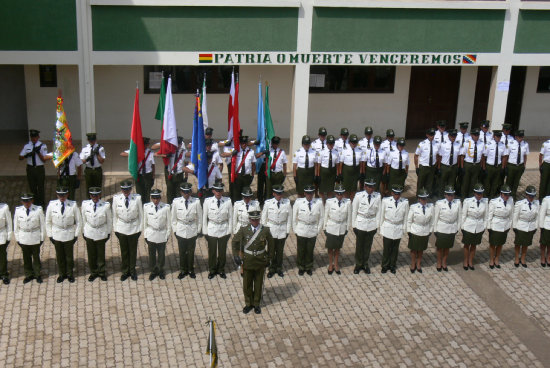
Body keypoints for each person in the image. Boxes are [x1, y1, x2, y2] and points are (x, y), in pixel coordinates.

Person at [232, 210, 274, 315]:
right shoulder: (244, 230)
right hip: (247, 261)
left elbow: (272, 244)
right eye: (253, 220)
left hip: (260, 260)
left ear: (259, 219)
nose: (255, 222)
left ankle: (256, 304)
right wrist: (236, 255)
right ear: (250, 220)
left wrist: (269, 258)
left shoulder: (265, 230)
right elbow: (235, 241)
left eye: (257, 220)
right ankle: (248, 303)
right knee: (247, 284)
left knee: (259, 283)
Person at [46, 186, 81, 283]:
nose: (62, 197)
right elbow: (48, 221)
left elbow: (78, 221)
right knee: (60, 255)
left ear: (67, 195)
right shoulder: (52, 205)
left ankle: (70, 273)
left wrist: (76, 234)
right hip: (57, 234)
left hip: (69, 233)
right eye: (60, 195)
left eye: (64, 195)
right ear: (57, 195)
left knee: (69, 256)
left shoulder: (73, 205)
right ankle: (62, 273)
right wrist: (50, 235)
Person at [112, 180, 143, 281]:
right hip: (121, 228)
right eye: (124, 189)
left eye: (128, 189)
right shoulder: (117, 199)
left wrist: (139, 229)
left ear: (131, 189)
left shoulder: (137, 199)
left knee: (133, 251)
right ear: (121, 189)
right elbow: (114, 215)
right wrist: (116, 229)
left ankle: (132, 271)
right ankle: (125, 271)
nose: (126, 191)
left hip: (133, 228)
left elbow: (141, 215)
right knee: (124, 251)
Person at [171, 182, 202, 279]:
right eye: (184, 192)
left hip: (192, 228)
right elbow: (173, 218)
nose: (186, 194)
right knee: (182, 251)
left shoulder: (196, 202)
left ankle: (190, 269)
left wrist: (198, 230)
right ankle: (183, 270)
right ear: (181, 192)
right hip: (181, 229)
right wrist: (175, 230)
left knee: (191, 251)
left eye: (188, 192)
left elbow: (200, 218)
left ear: (191, 192)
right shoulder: (176, 202)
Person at [203, 180, 232, 279]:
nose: (218, 192)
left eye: (220, 190)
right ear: (213, 191)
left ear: (222, 191)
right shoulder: (207, 201)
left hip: (223, 228)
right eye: (217, 190)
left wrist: (229, 230)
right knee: (212, 252)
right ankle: (212, 270)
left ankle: (221, 269)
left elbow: (230, 217)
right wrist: (205, 231)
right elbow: (204, 217)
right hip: (212, 228)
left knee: (222, 251)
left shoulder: (227, 201)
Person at [13, 193, 45, 283]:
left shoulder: (38, 210)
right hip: (24, 237)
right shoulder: (18, 210)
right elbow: (16, 226)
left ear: (32, 201)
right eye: (24, 201)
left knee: (36, 257)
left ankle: (37, 274)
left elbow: (42, 225)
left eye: (28, 201)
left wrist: (42, 237)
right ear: (21, 202)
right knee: (26, 257)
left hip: (34, 236)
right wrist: (17, 238)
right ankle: (28, 274)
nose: (26, 203)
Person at [81, 187, 111, 282]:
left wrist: (108, 232)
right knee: (91, 254)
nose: (95, 197)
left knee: (101, 254)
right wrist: (83, 231)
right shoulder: (85, 205)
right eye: (93, 195)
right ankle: (93, 272)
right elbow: (83, 219)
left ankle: (101, 272)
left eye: (97, 195)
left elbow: (109, 220)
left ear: (100, 195)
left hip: (101, 231)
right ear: (90, 196)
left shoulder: (105, 206)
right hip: (90, 232)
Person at [293, 184, 324, 275]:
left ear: (313, 193)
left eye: (311, 193)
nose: (309, 195)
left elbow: (321, 217)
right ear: (304, 193)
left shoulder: (318, 203)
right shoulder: (299, 202)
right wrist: (295, 230)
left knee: (310, 250)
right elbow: (294, 217)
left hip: (312, 229)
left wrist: (318, 230)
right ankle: (301, 266)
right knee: (301, 249)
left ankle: (309, 266)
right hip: (301, 228)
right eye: (307, 193)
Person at [352, 177, 381, 274]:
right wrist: (354, 225)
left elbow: (378, 212)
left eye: (372, 187)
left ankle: (365, 263)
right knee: (359, 245)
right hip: (361, 223)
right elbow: (354, 211)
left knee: (368, 245)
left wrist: (377, 225)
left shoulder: (377, 196)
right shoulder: (359, 196)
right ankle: (358, 264)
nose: (371, 189)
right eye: (369, 187)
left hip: (371, 223)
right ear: (365, 186)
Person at [262, 184, 292, 278]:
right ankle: (271, 268)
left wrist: (287, 231)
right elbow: (264, 218)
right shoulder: (268, 203)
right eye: (277, 194)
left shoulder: (286, 203)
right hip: (271, 229)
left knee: (279, 251)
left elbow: (289, 218)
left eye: (281, 194)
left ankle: (279, 268)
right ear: (274, 193)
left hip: (282, 229)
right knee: (271, 251)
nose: (279, 195)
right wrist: (265, 231)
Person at [379, 184, 409, 274]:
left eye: (398, 194)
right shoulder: (386, 201)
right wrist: (381, 228)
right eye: (395, 194)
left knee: (395, 249)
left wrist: (404, 229)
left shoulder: (405, 202)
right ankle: (385, 265)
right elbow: (382, 215)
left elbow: (406, 217)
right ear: (392, 193)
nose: (397, 196)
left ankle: (392, 265)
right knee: (387, 248)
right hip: (388, 226)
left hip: (398, 227)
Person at [323, 184, 351, 275]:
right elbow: (326, 215)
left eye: (341, 194)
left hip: (341, 227)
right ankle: (330, 264)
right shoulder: (329, 202)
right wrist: (324, 227)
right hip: (331, 226)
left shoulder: (347, 202)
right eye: (338, 194)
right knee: (330, 248)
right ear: (335, 194)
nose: (339, 196)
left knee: (338, 248)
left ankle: (336, 264)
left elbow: (349, 216)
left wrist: (347, 228)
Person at [143, 189, 170, 281]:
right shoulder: (146, 207)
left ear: (160, 198)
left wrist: (167, 235)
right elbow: (145, 222)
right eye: (153, 198)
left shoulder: (166, 207)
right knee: (152, 254)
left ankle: (161, 270)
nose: (155, 200)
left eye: (157, 198)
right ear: (151, 198)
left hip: (162, 233)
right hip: (151, 233)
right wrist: (145, 235)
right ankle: (153, 271)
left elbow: (169, 223)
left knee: (161, 254)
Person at [433, 185, 461, 272]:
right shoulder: (439, 203)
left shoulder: (458, 203)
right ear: (445, 195)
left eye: (452, 195)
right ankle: (439, 262)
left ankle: (444, 262)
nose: (450, 197)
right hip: (442, 227)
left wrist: (457, 228)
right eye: (448, 195)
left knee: (447, 247)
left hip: (452, 228)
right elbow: (435, 217)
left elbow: (459, 217)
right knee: (440, 247)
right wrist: (435, 229)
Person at [233, 187, 260, 276]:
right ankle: (242, 267)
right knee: (241, 249)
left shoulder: (255, 204)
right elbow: (234, 219)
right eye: (245, 197)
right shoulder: (238, 204)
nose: (247, 199)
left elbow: (258, 218)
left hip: (251, 228)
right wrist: (234, 231)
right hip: (241, 227)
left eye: (248, 197)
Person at [461, 183, 488, 270]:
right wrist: (462, 227)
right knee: (466, 245)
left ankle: (470, 261)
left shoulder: (485, 202)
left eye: (481, 193)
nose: (479, 195)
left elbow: (486, 216)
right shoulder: (467, 201)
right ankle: (465, 261)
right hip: (469, 226)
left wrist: (484, 226)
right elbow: (463, 215)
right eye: (477, 193)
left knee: (474, 245)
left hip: (479, 226)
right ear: (474, 193)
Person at [19, 129, 49, 207]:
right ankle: (34, 203)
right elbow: (20, 157)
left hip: (39, 168)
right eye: (32, 137)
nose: (33, 139)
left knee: (41, 187)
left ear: (38, 137)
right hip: (30, 168)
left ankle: (42, 204)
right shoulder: (27, 146)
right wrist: (27, 155)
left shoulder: (42, 146)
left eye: (35, 137)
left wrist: (38, 152)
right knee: (32, 187)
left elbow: (44, 159)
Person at [406, 188, 433, 273]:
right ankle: (413, 263)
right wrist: (409, 231)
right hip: (415, 230)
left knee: (421, 249)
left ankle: (418, 264)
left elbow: (432, 220)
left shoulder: (431, 207)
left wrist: (430, 230)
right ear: (419, 199)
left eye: (425, 198)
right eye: (422, 198)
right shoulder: (414, 207)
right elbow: (409, 220)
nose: (424, 200)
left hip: (425, 230)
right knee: (414, 249)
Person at [487, 185, 513, 269]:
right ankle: (491, 259)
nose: (507, 196)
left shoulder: (511, 201)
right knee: (493, 244)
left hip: (505, 225)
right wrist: (489, 226)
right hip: (495, 225)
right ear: (501, 194)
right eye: (505, 194)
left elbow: (511, 214)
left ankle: (497, 258)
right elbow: (490, 215)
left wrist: (509, 225)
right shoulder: (494, 202)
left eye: (508, 195)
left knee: (500, 243)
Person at [513, 185, 539, 267]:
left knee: (526, 244)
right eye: (530, 196)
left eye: (533, 196)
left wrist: (535, 227)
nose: (531, 198)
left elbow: (537, 217)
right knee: (518, 243)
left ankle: (523, 258)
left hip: (530, 226)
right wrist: (515, 227)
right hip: (521, 226)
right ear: (526, 195)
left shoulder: (536, 204)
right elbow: (515, 216)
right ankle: (517, 258)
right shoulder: (520, 204)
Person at [483, 130, 508, 199]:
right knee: (487, 182)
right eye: (497, 136)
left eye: (500, 137)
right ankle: (486, 196)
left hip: (498, 166)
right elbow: (484, 156)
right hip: (489, 166)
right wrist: (484, 167)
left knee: (495, 182)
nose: (498, 138)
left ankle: (492, 196)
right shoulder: (489, 144)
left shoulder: (502, 145)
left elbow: (504, 156)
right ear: (494, 136)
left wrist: (502, 166)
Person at [461, 128, 485, 200]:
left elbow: (483, 156)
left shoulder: (481, 143)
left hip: (476, 165)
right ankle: (463, 198)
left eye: (477, 135)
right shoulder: (466, 143)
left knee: (473, 182)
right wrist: (462, 167)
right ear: (471, 135)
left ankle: (471, 197)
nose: (476, 136)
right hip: (468, 164)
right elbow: (462, 156)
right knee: (465, 182)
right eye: (474, 135)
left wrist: (482, 166)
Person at [339, 134, 364, 200]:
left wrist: (361, 173)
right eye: (352, 142)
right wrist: (340, 173)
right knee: (346, 188)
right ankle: (346, 201)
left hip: (355, 171)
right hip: (346, 171)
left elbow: (361, 163)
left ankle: (352, 201)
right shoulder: (344, 150)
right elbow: (341, 163)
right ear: (349, 142)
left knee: (353, 188)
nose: (354, 144)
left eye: (355, 142)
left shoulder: (360, 150)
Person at [437, 129, 461, 198]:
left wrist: (458, 166)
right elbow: (440, 156)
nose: (453, 137)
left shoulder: (458, 145)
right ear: (448, 136)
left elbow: (459, 156)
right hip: (445, 166)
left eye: (454, 136)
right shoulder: (443, 144)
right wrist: (439, 167)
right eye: (452, 136)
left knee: (452, 183)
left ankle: (450, 197)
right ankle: (440, 197)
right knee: (442, 182)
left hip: (453, 166)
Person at [315, 135, 340, 202]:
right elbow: (318, 164)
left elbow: (337, 164)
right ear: (326, 143)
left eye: (332, 143)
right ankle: (322, 203)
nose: (331, 145)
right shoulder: (322, 152)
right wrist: (317, 175)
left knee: (330, 190)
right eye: (329, 143)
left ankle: (329, 203)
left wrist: (338, 175)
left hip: (332, 172)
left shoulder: (336, 152)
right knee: (322, 190)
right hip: (323, 171)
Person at [163, 136, 186, 204]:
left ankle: (178, 206)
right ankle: (170, 206)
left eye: (179, 144)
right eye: (177, 144)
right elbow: (158, 154)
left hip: (179, 174)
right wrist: (165, 155)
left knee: (178, 192)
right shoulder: (170, 150)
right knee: (170, 191)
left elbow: (186, 163)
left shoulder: (184, 151)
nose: (178, 146)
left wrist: (186, 176)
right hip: (170, 173)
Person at [506, 130, 529, 200]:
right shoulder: (510, 143)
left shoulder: (525, 144)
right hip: (511, 165)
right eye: (519, 137)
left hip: (520, 166)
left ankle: (513, 196)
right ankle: (506, 195)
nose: (521, 138)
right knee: (509, 181)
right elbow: (506, 155)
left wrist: (524, 164)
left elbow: (525, 155)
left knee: (516, 182)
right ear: (516, 137)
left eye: (522, 137)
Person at [232, 136, 256, 202]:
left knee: (246, 193)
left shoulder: (251, 152)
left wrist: (253, 175)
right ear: (240, 143)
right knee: (237, 193)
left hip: (247, 176)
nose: (244, 144)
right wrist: (232, 154)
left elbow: (253, 164)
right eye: (242, 143)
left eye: (245, 143)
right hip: (238, 175)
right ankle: (237, 206)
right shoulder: (236, 151)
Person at [415, 128, 439, 194]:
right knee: (420, 183)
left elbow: (437, 155)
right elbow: (416, 155)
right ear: (427, 135)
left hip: (432, 167)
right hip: (423, 167)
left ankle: (426, 198)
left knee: (429, 184)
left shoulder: (436, 144)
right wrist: (416, 167)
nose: (432, 137)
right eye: (430, 135)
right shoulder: (422, 144)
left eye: (433, 135)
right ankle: (418, 198)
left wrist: (437, 166)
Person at [136, 137, 155, 204]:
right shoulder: (136, 151)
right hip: (139, 174)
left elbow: (153, 165)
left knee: (147, 193)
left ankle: (147, 206)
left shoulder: (150, 152)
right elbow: (123, 153)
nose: (146, 145)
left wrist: (153, 176)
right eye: (144, 144)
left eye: (147, 144)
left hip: (148, 174)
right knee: (139, 193)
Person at [456, 122, 471, 197]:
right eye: (462, 128)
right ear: (460, 128)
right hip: (457, 157)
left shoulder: (469, 136)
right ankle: (457, 190)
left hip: (465, 158)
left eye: (465, 128)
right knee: (457, 175)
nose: (464, 130)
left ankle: (462, 191)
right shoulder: (457, 135)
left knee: (463, 176)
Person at [0, 201, 12, 284]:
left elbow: (9, 223)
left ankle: (4, 274)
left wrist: (8, 236)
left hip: (1, 234)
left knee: (2, 256)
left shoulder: (4, 208)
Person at [539, 194, 550, 267]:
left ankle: (549, 257)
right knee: (544, 242)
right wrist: (541, 225)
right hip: (547, 224)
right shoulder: (547, 200)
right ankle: (543, 256)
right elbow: (542, 213)